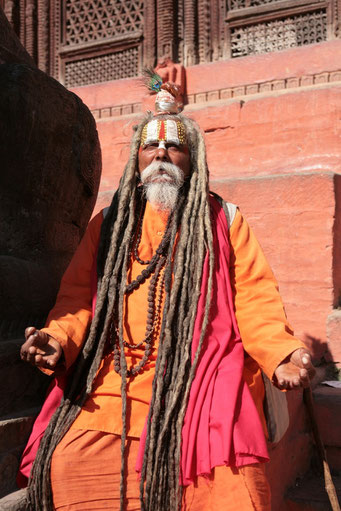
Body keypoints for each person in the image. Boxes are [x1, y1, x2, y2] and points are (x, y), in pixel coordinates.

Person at [20, 78, 314, 511]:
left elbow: (255, 300)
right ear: (136, 159)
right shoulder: (109, 225)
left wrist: (280, 353)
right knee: (68, 463)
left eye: (174, 147)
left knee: (232, 487)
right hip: (118, 378)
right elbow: (78, 301)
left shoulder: (225, 220)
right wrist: (57, 340)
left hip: (203, 373)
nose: (161, 153)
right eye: (150, 147)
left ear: (192, 160)